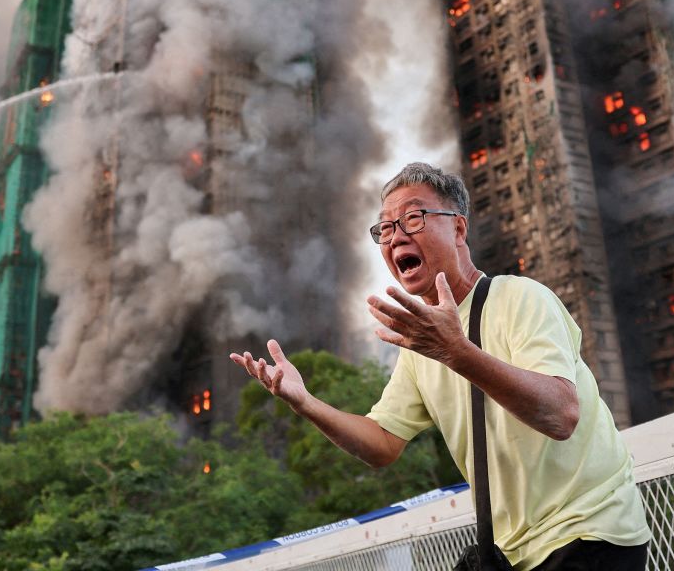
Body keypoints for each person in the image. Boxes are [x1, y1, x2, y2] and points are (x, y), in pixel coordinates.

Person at [230, 162, 651, 571]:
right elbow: (382, 443)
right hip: (511, 553)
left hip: (589, 534)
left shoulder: (521, 298)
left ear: (459, 228)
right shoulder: (420, 345)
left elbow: (561, 415)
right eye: (386, 228)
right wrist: (305, 403)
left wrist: (456, 352)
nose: (396, 236)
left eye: (413, 217)